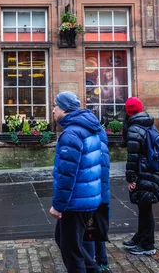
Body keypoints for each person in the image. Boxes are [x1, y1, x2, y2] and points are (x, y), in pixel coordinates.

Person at [49, 91, 106, 273]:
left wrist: (58, 206)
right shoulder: (89, 127)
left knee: (71, 251)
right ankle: (93, 269)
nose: (53, 110)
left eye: (55, 106)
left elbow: (67, 175)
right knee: (63, 239)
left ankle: (92, 270)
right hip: (88, 197)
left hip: (76, 201)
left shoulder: (71, 134)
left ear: (64, 109)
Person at [122, 97, 159, 256]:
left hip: (144, 174)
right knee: (144, 207)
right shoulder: (149, 123)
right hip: (153, 172)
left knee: (145, 208)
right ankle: (140, 237)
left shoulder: (134, 128)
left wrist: (131, 178)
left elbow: (132, 157)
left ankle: (147, 244)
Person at [82, 121, 111, 272]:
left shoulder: (90, 146)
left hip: (91, 195)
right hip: (102, 195)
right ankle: (103, 261)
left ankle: (92, 265)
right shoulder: (103, 145)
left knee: (89, 232)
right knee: (98, 229)